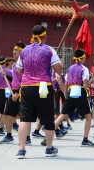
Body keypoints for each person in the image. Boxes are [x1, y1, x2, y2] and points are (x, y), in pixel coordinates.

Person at [16, 25, 62, 159]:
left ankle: (21, 150)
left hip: (26, 86)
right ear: (45, 36)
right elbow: (58, 69)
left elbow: (19, 70)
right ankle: (49, 148)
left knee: (24, 118)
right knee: (48, 118)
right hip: (43, 86)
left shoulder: (24, 50)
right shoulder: (49, 49)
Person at [54, 48, 94, 147]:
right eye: (85, 57)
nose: (85, 58)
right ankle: (85, 140)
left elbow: (66, 84)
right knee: (88, 117)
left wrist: (65, 95)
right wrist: (91, 80)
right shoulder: (84, 69)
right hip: (80, 92)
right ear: (82, 58)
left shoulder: (69, 68)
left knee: (62, 115)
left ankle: (51, 133)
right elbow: (85, 86)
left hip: (70, 92)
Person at [0, 42, 28, 144]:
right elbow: (14, 79)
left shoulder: (25, 64)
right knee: (7, 114)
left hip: (23, 91)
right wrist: (6, 76)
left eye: (16, 50)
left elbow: (25, 80)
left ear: (22, 51)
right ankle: (9, 135)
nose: (13, 51)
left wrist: (18, 93)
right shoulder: (15, 64)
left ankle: (27, 137)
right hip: (14, 91)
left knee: (25, 117)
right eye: (14, 49)